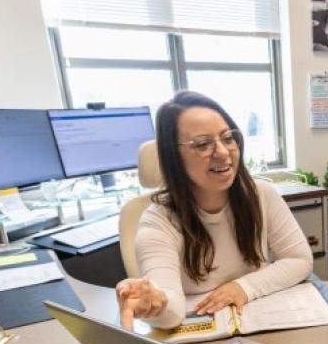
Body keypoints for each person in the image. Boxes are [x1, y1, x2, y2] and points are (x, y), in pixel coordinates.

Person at [117, 91, 313, 330]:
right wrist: (155, 305)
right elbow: (172, 311)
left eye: (228, 138)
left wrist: (244, 287)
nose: (222, 152)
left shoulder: (261, 195)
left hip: (261, 326)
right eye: (202, 144)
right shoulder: (158, 221)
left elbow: (299, 260)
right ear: (174, 157)